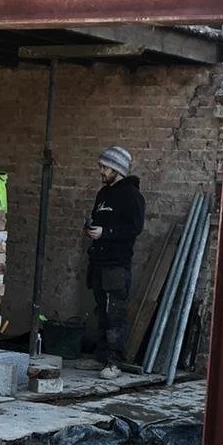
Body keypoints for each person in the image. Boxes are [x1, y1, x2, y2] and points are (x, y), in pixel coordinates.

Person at [85, 145, 145, 379]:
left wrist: (106, 232)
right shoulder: (103, 194)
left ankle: (114, 362)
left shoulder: (132, 196)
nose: (101, 171)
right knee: (102, 310)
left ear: (116, 168)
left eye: (105, 167)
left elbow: (134, 228)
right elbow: (98, 219)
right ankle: (100, 358)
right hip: (98, 261)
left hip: (116, 264)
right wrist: (91, 229)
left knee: (114, 313)